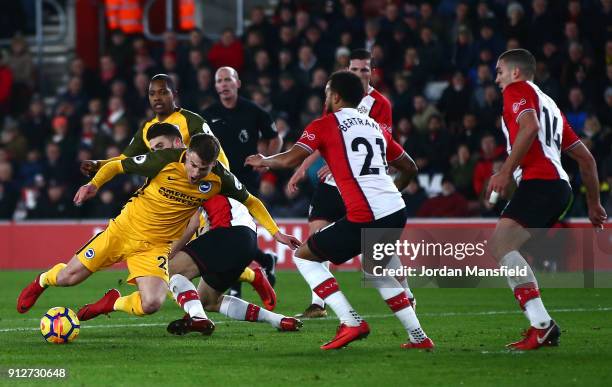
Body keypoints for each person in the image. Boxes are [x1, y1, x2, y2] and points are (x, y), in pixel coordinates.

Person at [17, 131, 300, 323]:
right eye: (192, 164)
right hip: (123, 231)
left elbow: (252, 202)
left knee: (151, 304)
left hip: (155, 247)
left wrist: (277, 233)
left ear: (213, 165)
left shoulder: (221, 178)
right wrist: (93, 185)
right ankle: (42, 280)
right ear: (186, 153)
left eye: (202, 169)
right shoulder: (163, 160)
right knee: (68, 278)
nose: (194, 173)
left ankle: (113, 300)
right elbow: (118, 165)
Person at [245, 71, 434, 350]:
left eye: (326, 92)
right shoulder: (375, 126)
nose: (325, 97)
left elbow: (290, 159)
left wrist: (263, 159)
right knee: (377, 270)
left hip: (367, 214)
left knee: (304, 257)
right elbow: (409, 167)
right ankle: (419, 337)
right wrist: (390, 193)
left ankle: (351, 321)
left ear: (334, 96)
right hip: (396, 210)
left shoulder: (325, 125)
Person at [79, 73, 266, 300]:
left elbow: (216, 154)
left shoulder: (191, 120)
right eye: (152, 93)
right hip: (169, 197)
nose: (157, 97)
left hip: (199, 193)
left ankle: (238, 281)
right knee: (180, 261)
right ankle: (250, 274)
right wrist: (100, 165)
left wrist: (217, 184)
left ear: (174, 94)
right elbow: (125, 159)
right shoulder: (147, 129)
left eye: (163, 92)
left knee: (186, 259)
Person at [487, 49, 607, 350]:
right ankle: (542, 324)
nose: (496, 78)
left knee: (501, 245)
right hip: (558, 188)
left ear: (516, 73)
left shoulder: (518, 91)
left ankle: (541, 325)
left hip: (541, 183)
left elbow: (530, 128)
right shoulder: (549, 104)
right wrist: (594, 204)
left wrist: (505, 171)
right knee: (507, 247)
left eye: (500, 71)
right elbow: (587, 160)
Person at [287, 48, 415, 318]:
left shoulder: (381, 104)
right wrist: (304, 167)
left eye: (364, 69)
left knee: (377, 247)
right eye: (355, 69)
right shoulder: (337, 96)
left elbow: (381, 145)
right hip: (334, 180)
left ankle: (407, 293)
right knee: (316, 232)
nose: (360, 74)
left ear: (372, 72)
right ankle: (318, 304)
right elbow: (323, 135)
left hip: (363, 184)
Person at [203, 66, 282, 297]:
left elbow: (274, 138)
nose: (224, 84)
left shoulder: (254, 111)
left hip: (246, 179)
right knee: (227, 230)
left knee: (237, 230)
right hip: (218, 178)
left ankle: (236, 283)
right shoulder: (208, 115)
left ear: (237, 83)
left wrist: (266, 161)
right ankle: (264, 259)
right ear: (216, 86)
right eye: (220, 81)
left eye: (228, 79)